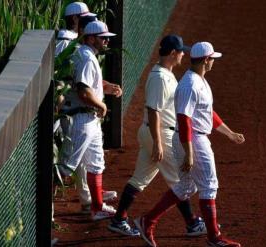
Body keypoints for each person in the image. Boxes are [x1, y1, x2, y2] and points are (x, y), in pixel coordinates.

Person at [134, 42, 245, 247]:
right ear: (205, 60)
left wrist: (229, 133)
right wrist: (189, 152)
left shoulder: (200, 81)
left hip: (193, 138)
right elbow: (184, 119)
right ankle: (214, 237)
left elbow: (206, 113)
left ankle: (147, 220)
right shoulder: (189, 85)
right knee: (209, 186)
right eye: (212, 58)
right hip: (193, 139)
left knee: (186, 187)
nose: (213, 62)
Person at [107, 35, 207, 237]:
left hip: (155, 133)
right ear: (173, 53)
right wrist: (158, 144)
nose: (183, 55)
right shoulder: (160, 78)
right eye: (181, 52)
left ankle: (118, 219)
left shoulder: (166, 74)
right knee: (181, 179)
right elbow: (154, 111)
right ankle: (192, 222)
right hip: (159, 133)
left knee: (140, 179)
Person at [59, 20, 122, 221]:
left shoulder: (85, 55)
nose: (107, 42)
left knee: (96, 163)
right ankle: (44, 215)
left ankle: (97, 207)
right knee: (65, 168)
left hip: (90, 120)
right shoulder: (86, 57)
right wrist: (102, 105)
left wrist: (105, 86)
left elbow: (87, 82)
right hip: (81, 119)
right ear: (91, 38)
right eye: (103, 38)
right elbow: (84, 92)